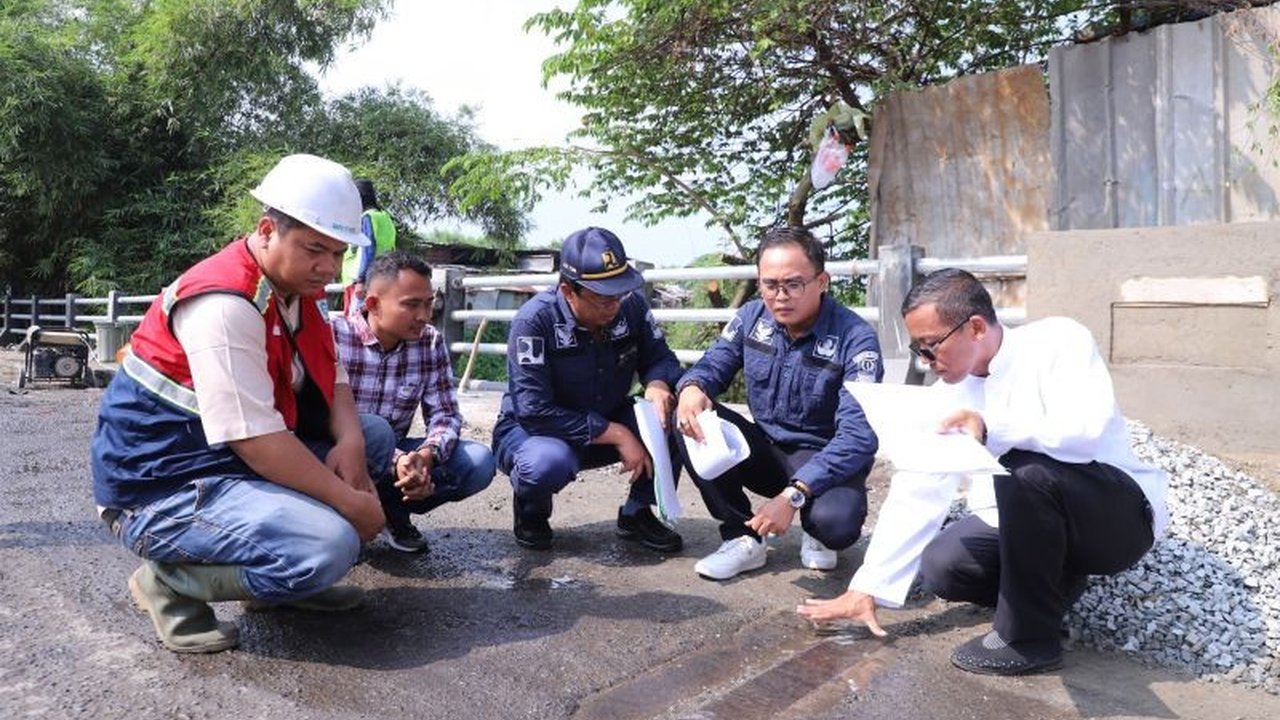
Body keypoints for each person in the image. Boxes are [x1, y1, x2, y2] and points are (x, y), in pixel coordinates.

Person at [797, 268, 1169, 676]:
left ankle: (1028, 640)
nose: (925, 362)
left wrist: (992, 429)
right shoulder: (948, 394)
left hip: (1115, 518)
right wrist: (868, 589)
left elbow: (1083, 434)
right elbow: (918, 486)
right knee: (944, 566)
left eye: (931, 346)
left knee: (1026, 469)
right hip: (1029, 523)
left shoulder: (1059, 341)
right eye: (918, 350)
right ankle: (1054, 589)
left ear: (974, 327)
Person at [90, 154, 393, 654]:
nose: (327, 267)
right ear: (268, 229)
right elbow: (256, 441)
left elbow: (331, 372)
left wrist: (353, 439)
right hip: (162, 492)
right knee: (328, 544)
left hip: (226, 463)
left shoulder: (295, 291)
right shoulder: (226, 303)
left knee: (375, 434)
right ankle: (168, 582)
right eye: (315, 248)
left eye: (337, 253)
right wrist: (352, 505)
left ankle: (280, 585)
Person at [674, 226, 882, 580]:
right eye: (770, 285)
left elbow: (858, 437)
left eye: (793, 284)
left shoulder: (856, 339)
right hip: (766, 450)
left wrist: (793, 496)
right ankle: (743, 537)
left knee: (836, 524)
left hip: (823, 454)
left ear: (822, 282)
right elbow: (713, 364)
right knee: (690, 416)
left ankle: (816, 534)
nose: (780, 296)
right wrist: (692, 387)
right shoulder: (751, 318)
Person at [492, 227, 685, 552]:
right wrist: (618, 435)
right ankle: (531, 510)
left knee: (676, 415)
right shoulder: (534, 322)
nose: (614, 305)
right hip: (537, 432)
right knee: (544, 464)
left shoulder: (632, 308)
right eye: (602, 297)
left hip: (606, 414)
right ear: (568, 291)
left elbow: (661, 357)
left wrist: (657, 382)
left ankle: (638, 511)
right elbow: (534, 411)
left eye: (619, 293)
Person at [332, 250, 497, 553]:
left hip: (398, 463)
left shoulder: (429, 341)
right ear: (372, 305)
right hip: (345, 459)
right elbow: (326, 424)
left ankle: (394, 513)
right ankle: (341, 522)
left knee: (478, 462)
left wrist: (426, 456)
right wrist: (398, 460)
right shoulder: (335, 338)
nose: (424, 315)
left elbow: (446, 414)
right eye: (411, 305)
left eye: (429, 303)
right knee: (374, 431)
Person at [341, 178, 397, 316]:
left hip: (359, 282)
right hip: (381, 277)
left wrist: (361, 280)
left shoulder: (367, 217)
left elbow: (368, 248)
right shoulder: (385, 217)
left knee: (356, 323)